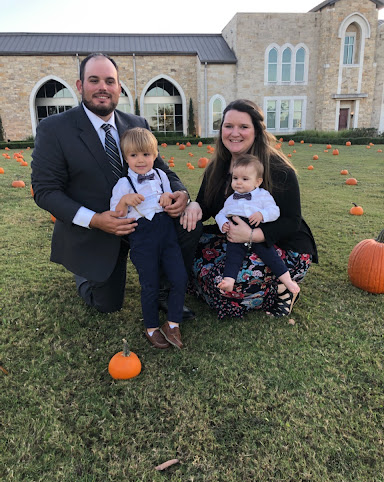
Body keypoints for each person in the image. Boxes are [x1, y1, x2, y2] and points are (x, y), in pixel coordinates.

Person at [31, 53, 198, 321]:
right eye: (94, 80)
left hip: (146, 220)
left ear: (119, 87)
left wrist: (181, 193)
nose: (102, 88)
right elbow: (45, 190)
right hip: (97, 229)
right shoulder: (54, 129)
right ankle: (84, 273)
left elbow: (163, 169)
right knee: (108, 304)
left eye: (110, 81)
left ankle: (165, 289)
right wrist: (96, 220)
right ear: (80, 85)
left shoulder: (136, 124)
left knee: (190, 222)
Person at [180, 99, 317, 319]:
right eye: (228, 126)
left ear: (257, 131)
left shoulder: (278, 169)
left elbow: (292, 221)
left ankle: (282, 290)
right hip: (238, 240)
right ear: (221, 129)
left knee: (224, 282)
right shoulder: (217, 167)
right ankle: (237, 290)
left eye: (243, 127)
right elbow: (206, 206)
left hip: (283, 246)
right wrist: (192, 204)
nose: (235, 133)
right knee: (187, 251)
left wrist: (254, 234)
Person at [110, 127, 186, 349]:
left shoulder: (162, 176)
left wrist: (167, 196)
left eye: (145, 154)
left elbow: (171, 198)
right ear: (126, 158)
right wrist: (125, 201)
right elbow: (116, 214)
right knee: (150, 283)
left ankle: (173, 323)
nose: (140, 160)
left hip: (167, 234)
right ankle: (151, 327)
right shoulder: (123, 184)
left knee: (179, 278)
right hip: (143, 239)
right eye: (134, 155)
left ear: (155, 155)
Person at [215, 154, 300, 305]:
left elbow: (275, 211)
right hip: (235, 233)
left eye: (245, 179)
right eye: (235, 178)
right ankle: (229, 280)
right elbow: (221, 213)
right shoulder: (231, 199)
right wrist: (223, 223)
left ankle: (287, 281)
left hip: (257, 230)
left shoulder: (262, 195)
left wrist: (262, 214)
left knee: (270, 256)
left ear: (258, 181)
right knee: (232, 256)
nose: (239, 183)